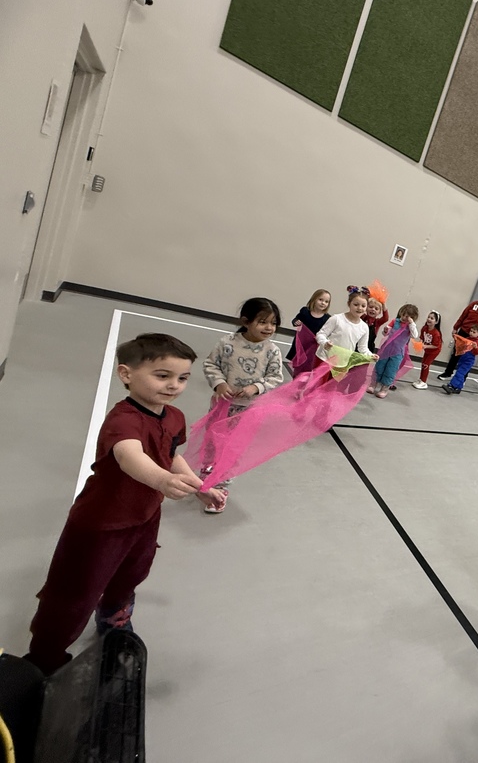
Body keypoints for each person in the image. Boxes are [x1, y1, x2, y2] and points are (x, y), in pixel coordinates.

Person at [24, 334, 226, 676]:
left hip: (144, 517)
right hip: (102, 522)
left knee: (132, 572)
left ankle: (113, 614)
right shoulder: (124, 420)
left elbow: (170, 455)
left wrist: (199, 486)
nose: (174, 385)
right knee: (75, 591)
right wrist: (162, 481)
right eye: (162, 376)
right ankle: (45, 656)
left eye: (182, 378)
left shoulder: (174, 416)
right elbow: (130, 456)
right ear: (126, 374)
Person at [201, 297, 285, 513]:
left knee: (233, 446)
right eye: (263, 322)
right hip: (221, 405)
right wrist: (219, 384)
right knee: (212, 440)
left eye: (273, 323)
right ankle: (206, 477)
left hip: (249, 409)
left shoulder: (272, 351)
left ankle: (221, 487)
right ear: (246, 321)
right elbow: (211, 364)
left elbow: (276, 376)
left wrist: (255, 387)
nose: (269, 328)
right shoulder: (227, 343)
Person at [437, 289, 478, 380]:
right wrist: (455, 327)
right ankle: (448, 373)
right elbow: (463, 316)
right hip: (464, 332)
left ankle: (463, 378)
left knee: (468, 357)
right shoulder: (474, 305)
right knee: (456, 353)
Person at [368, 304, 419, 398]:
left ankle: (384, 388)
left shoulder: (410, 327)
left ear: (412, 318)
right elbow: (385, 333)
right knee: (379, 366)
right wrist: (385, 330)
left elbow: (415, 335)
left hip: (398, 352)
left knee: (391, 370)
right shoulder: (395, 321)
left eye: (407, 316)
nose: (404, 318)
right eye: (403, 315)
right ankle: (373, 384)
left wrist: (411, 323)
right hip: (386, 349)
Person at [316, 286, 373, 357]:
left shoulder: (364, 327)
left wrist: (371, 356)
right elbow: (321, 334)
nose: (359, 308)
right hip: (324, 358)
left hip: (342, 362)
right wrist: (325, 343)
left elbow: (363, 348)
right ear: (349, 304)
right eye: (356, 305)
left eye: (363, 306)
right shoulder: (337, 319)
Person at [286, 289, 331, 374]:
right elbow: (296, 319)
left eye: (326, 301)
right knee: (298, 363)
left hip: (314, 346)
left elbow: (327, 332)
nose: (323, 303)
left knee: (310, 366)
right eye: (320, 300)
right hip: (301, 344)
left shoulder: (327, 318)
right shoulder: (305, 311)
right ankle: (296, 380)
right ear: (314, 299)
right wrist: (296, 322)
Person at [441, 325, 478, 395]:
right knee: (461, 374)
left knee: (459, 373)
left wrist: (475, 347)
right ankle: (459, 387)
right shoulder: (467, 338)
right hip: (462, 359)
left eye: (474, 332)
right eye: (471, 331)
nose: (471, 333)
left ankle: (452, 385)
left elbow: (477, 352)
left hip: (468, 361)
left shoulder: (477, 342)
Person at [412, 311, 443, 389]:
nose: (429, 319)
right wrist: (419, 344)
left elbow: (436, 346)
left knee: (426, 364)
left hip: (434, 351)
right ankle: (421, 379)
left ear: (436, 322)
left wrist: (425, 346)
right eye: (428, 317)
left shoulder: (436, 333)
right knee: (423, 364)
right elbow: (422, 338)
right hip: (428, 350)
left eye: (432, 318)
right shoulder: (424, 328)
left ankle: (424, 382)